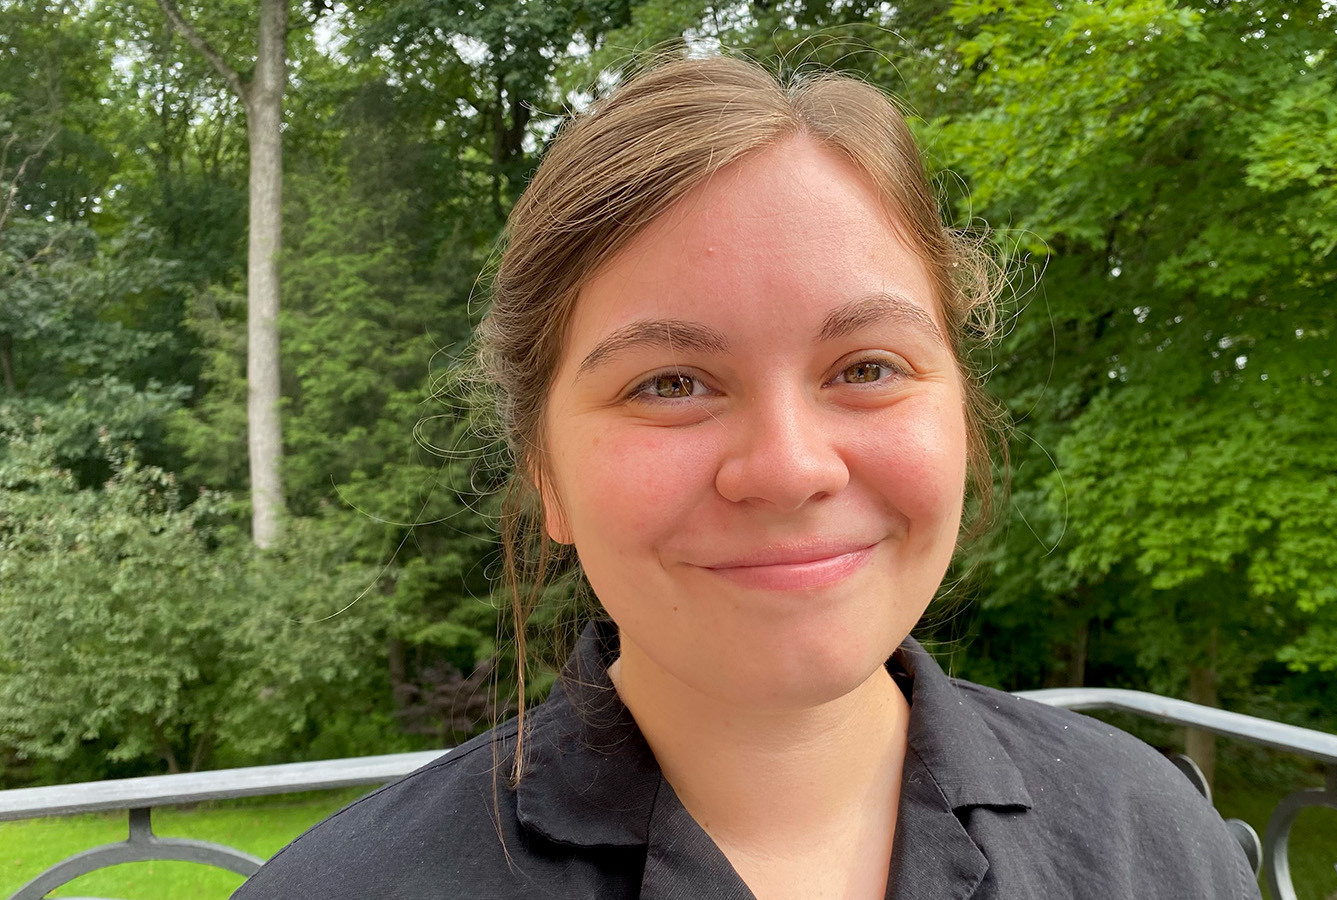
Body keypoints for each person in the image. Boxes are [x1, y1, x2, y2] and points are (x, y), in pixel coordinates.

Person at [232, 54, 1261, 900]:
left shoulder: (1151, 842)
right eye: (671, 382)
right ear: (544, 467)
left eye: (864, 368)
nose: (787, 468)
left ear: (962, 409)